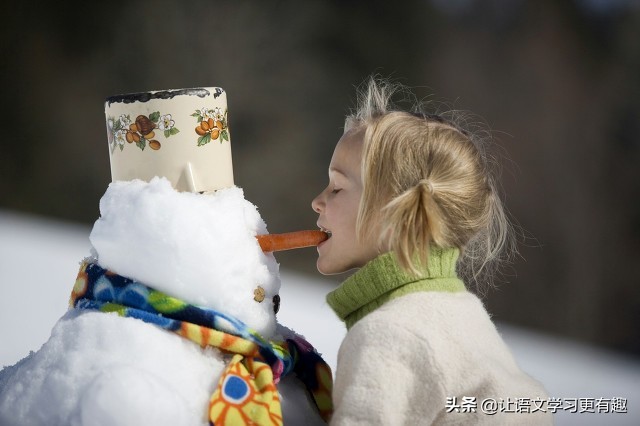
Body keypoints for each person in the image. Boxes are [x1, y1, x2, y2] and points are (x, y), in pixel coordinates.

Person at [311, 77, 552, 425]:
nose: (317, 201)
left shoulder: (391, 334)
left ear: (397, 213)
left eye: (336, 188)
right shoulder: (462, 314)